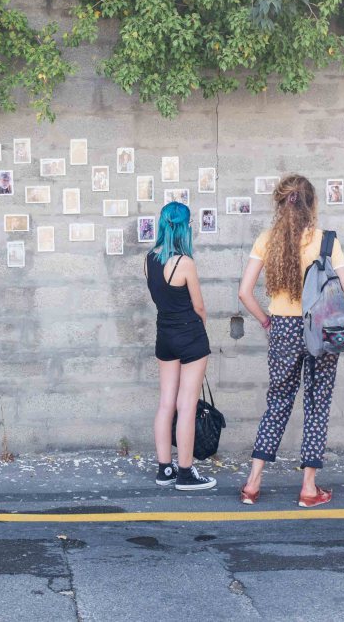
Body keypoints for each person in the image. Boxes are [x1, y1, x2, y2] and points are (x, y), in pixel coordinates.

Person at [238, 174, 344, 507]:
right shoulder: (326, 241)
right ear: (312, 204)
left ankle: (253, 483)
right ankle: (308, 488)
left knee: (278, 401)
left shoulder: (267, 240)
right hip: (321, 330)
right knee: (317, 403)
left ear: (280, 203)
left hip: (283, 329)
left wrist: (266, 320)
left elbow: (244, 292)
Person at [144, 202, 216, 491]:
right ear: (184, 228)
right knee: (186, 406)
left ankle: (165, 469)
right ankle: (186, 473)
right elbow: (199, 306)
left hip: (165, 335)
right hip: (190, 335)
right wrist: (201, 328)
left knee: (166, 403)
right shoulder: (185, 263)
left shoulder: (149, 259)